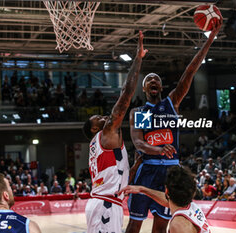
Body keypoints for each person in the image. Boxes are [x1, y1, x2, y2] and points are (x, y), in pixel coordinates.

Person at [126, 20, 222, 233]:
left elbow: (190, 71)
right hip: (148, 169)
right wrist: (158, 150)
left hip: (171, 171)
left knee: (161, 227)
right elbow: (139, 143)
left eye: (156, 80)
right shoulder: (140, 113)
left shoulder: (171, 102)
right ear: (144, 88)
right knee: (134, 225)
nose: (153, 81)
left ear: (160, 86)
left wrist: (210, 39)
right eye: (149, 80)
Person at [82, 31, 147, 233]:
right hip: (105, 205)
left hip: (108, 203)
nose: (104, 118)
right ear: (94, 129)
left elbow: (117, 176)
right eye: (99, 119)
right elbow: (126, 94)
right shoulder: (105, 133)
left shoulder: (101, 145)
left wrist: (135, 165)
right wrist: (138, 59)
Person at [119, 166, 211, 233]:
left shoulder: (179, 224)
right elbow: (166, 200)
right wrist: (142, 189)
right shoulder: (191, 206)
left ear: (166, 190)